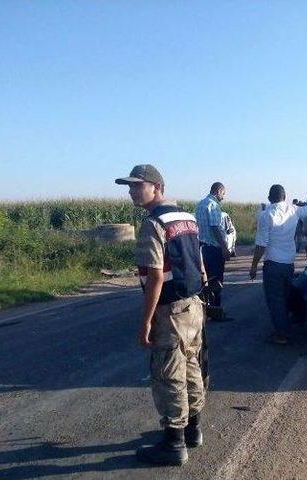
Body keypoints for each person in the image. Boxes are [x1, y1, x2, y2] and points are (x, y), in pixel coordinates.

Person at [115, 164, 206, 466]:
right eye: (129, 186)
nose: (131, 191)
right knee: (191, 367)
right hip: (193, 305)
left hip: (170, 311)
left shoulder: (153, 223)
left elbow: (155, 277)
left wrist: (145, 323)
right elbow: (200, 266)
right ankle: (193, 430)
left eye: (136, 185)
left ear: (156, 186)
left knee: (169, 375)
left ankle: (174, 444)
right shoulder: (187, 217)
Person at [249, 185, 307, 344]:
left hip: (273, 264)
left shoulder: (266, 215)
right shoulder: (294, 210)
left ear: (270, 198)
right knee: (284, 296)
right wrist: (304, 207)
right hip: (289, 263)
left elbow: (261, 244)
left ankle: (282, 335)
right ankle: (286, 325)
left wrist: (254, 265)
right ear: (285, 197)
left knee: (275, 299)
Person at [195, 183, 231, 313]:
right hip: (214, 248)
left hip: (202, 247)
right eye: (223, 193)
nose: (224, 197)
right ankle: (216, 310)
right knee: (216, 280)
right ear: (219, 191)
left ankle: (206, 309)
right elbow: (215, 227)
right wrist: (224, 248)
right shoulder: (213, 205)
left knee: (205, 280)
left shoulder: (200, 204)